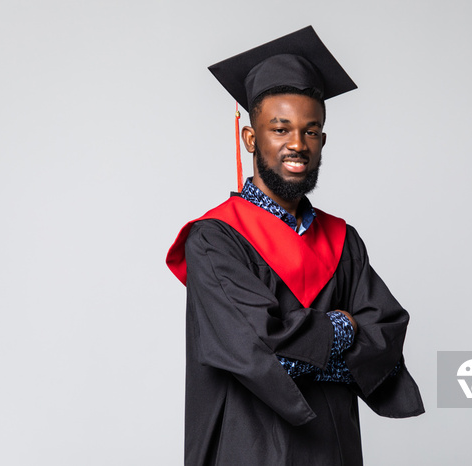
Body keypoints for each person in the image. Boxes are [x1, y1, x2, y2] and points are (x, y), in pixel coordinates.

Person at [167, 26, 424, 466]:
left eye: (311, 131)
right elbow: (260, 353)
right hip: (247, 450)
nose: (296, 144)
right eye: (280, 128)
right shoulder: (214, 240)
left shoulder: (344, 240)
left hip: (334, 450)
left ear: (322, 140)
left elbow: (386, 335)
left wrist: (305, 346)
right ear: (251, 138)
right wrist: (344, 330)